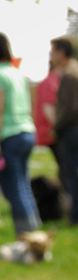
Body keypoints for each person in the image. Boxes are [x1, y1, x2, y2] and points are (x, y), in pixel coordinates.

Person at [0, 32, 41, 236]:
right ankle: (35, 230)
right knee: (23, 186)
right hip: (26, 132)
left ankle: (27, 237)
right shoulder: (16, 72)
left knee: (14, 190)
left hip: (8, 137)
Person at [50, 36, 78, 225]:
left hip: (71, 131)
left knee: (72, 174)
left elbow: (69, 108)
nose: (51, 56)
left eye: (52, 52)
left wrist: (56, 127)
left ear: (61, 52)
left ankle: (74, 216)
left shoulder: (69, 74)